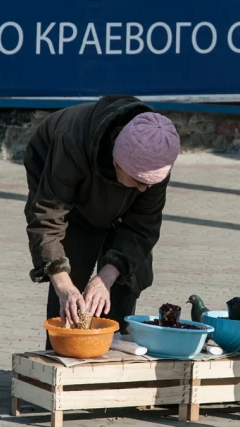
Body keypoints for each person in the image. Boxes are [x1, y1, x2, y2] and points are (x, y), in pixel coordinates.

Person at [23, 95, 180, 345]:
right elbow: (47, 218)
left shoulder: (158, 154)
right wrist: (63, 284)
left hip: (113, 187)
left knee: (121, 281)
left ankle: (109, 359)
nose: (142, 190)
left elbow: (142, 227)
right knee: (70, 295)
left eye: (149, 184)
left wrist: (107, 276)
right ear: (117, 160)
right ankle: (60, 365)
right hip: (63, 188)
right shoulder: (71, 143)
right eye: (138, 181)